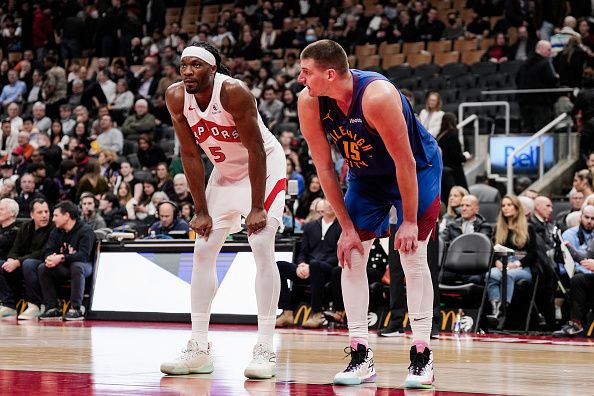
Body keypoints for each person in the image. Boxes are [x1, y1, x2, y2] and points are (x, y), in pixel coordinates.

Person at [297, 40, 442, 388]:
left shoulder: (377, 96)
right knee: (352, 254)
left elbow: (405, 161)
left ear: (330, 74)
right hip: (365, 175)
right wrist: (345, 227)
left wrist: (407, 221)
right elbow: (325, 169)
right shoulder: (309, 103)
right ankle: (360, 352)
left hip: (415, 171)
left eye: (307, 73)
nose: (301, 79)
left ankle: (422, 353)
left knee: (412, 255)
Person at [160, 42, 286, 380]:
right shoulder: (175, 97)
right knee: (202, 250)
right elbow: (190, 154)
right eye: (184, 65)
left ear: (213, 69)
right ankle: (198, 348)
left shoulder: (233, 92)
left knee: (260, 244)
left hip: (263, 167)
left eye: (196, 65)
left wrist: (257, 206)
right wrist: (200, 209)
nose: (187, 71)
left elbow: (256, 148)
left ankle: (265, 347)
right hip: (226, 173)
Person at [275, 199, 341, 329]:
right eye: (327, 204)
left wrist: (311, 266)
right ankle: (287, 312)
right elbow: (303, 252)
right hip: (308, 266)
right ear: (320, 210)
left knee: (316, 265)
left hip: (327, 268)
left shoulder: (341, 227)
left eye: (331, 204)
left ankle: (317, 313)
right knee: (280, 266)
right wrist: (301, 265)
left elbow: (336, 256)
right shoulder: (310, 226)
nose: (329, 206)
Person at [38, 201, 96, 321]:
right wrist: (50, 259)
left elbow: (84, 256)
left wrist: (61, 258)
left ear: (67, 216)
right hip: (64, 266)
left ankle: (77, 308)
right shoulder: (56, 231)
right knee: (43, 267)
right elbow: (48, 250)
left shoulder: (85, 230)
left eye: (56, 215)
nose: (53, 219)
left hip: (85, 266)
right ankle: (52, 307)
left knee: (77, 266)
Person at [0, 198, 52, 320]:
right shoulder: (25, 227)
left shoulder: (53, 228)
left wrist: (18, 262)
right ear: (32, 215)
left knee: (28, 264)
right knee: (2, 265)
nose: (44, 215)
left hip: (41, 263)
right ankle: (9, 305)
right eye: (40, 212)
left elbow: (43, 252)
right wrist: (11, 260)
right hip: (23, 264)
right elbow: (15, 248)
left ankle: (34, 305)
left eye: (46, 211)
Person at [486, 195, 537, 320]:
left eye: (509, 205)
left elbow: (533, 254)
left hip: (521, 267)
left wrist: (516, 265)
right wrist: (497, 262)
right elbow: (493, 251)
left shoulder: (528, 228)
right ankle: (495, 307)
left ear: (517, 208)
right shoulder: (498, 228)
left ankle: (503, 308)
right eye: (503, 205)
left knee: (508, 275)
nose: (505, 208)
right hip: (502, 264)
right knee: (491, 274)